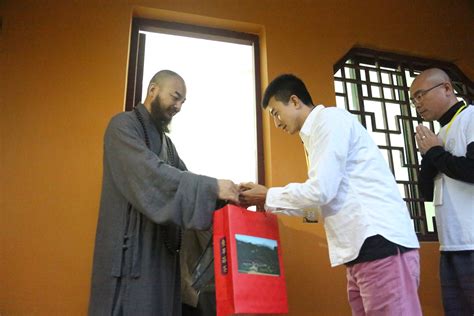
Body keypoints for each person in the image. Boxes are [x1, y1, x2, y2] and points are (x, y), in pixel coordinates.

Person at [240, 74, 422, 315]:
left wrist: (267, 196)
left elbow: (320, 192)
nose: (276, 123)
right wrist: (268, 200)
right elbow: (319, 202)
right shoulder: (316, 133)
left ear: (295, 101)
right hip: (361, 251)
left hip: (380, 243)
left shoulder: (329, 121)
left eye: (275, 113)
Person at [88, 70, 239, 315]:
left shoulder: (167, 145)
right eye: (175, 97)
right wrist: (212, 187)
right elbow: (153, 175)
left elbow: (184, 179)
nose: (178, 106)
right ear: (153, 89)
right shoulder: (122, 126)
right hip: (132, 256)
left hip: (163, 256)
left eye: (183, 102)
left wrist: (228, 197)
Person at [410, 68, 474, 315]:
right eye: (414, 99)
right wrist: (428, 155)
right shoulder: (437, 135)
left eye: (421, 95)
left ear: (447, 88)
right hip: (449, 245)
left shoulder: (470, 117)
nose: (417, 103)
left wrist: (435, 152)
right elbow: (427, 192)